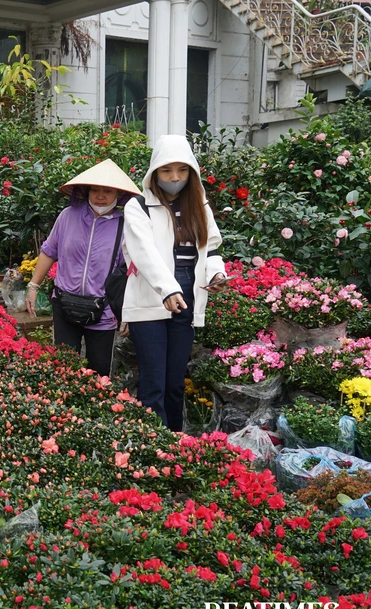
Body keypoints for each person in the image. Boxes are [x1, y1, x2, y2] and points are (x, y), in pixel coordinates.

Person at [121, 135, 228, 432]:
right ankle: (155, 446)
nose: (175, 177)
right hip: (151, 298)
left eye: (182, 170)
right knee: (153, 382)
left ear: (191, 172)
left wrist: (216, 275)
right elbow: (144, 253)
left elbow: (211, 250)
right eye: (167, 171)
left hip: (188, 294)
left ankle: (175, 442)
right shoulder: (138, 206)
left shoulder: (198, 205)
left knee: (174, 382)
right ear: (154, 172)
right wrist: (167, 289)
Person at [25, 159, 142, 377]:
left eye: (107, 190)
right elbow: (49, 251)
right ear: (86, 191)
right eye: (95, 189)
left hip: (103, 311)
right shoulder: (68, 216)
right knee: (63, 369)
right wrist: (33, 287)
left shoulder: (125, 226)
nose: (100, 195)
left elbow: (131, 272)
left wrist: (127, 312)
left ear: (118, 194)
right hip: (64, 305)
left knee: (98, 374)